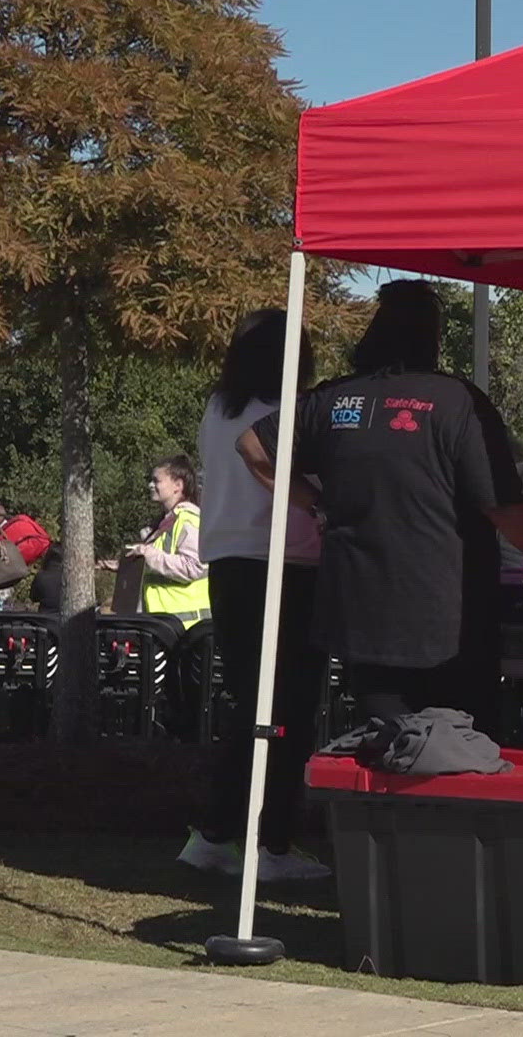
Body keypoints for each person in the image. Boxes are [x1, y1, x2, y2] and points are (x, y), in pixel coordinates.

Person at [291, 279, 523, 731]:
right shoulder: (457, 401)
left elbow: (253, 446)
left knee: (386, 739)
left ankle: (376, 803)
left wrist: (315, 503)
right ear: (432, 336)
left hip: (361, 611)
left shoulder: (334, 398)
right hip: (447, 618)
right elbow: (504, 506)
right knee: (457, 747)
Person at [178, 314, 329, 882]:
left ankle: (219, 830)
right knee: (288, 707)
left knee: (252, 703)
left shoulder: (219, 410)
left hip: (230, 564)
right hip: (287, 562)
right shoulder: (291, 412)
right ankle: (271, 842)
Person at [129, 455, 210, 627]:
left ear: (178, 486)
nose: (150, 485)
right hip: (164, 626)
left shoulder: (189, 520)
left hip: (186, 630)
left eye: (156, 480)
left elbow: (193, 566)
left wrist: (147, 554)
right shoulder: (163, 524)